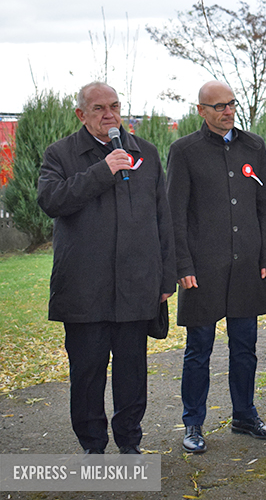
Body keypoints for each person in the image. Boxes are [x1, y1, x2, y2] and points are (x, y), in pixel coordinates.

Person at [37, 81, 176, 454]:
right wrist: (103, 169)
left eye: (114, 106)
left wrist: (166, 277)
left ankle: (130, 441)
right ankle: (92, 446)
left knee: (132, 373)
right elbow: (51, 200)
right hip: (84, 287)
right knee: (87, 374)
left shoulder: (144, 152)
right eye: (99, 108)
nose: (109, 114)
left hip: (136, 285)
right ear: (81, 115)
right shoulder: (60, 154)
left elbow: (162, 218)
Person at [166, 80, 266, 453]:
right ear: (201, 110)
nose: (227, 111)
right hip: (202, 271)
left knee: (245, 348)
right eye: (218, 106)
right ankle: (193, 423)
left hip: (247, 266)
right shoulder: (184, 151)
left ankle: (245, 416)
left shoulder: (254, 146)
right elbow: (175, 214)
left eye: (231, 104)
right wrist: (182, 264)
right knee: (199, 349)